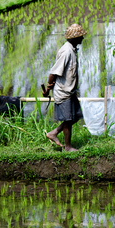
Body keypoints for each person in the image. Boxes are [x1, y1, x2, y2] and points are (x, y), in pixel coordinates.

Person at [43, 24, 86, 152]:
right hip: (63, 92)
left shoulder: (72, 49)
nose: (82, 38)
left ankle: (54, 133)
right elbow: (54, 72)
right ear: (75, 38)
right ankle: (68, 147)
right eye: (81, 36)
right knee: (68, 119)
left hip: (70, 90)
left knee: (76, 116)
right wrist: (48, 87)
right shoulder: (66, 51)